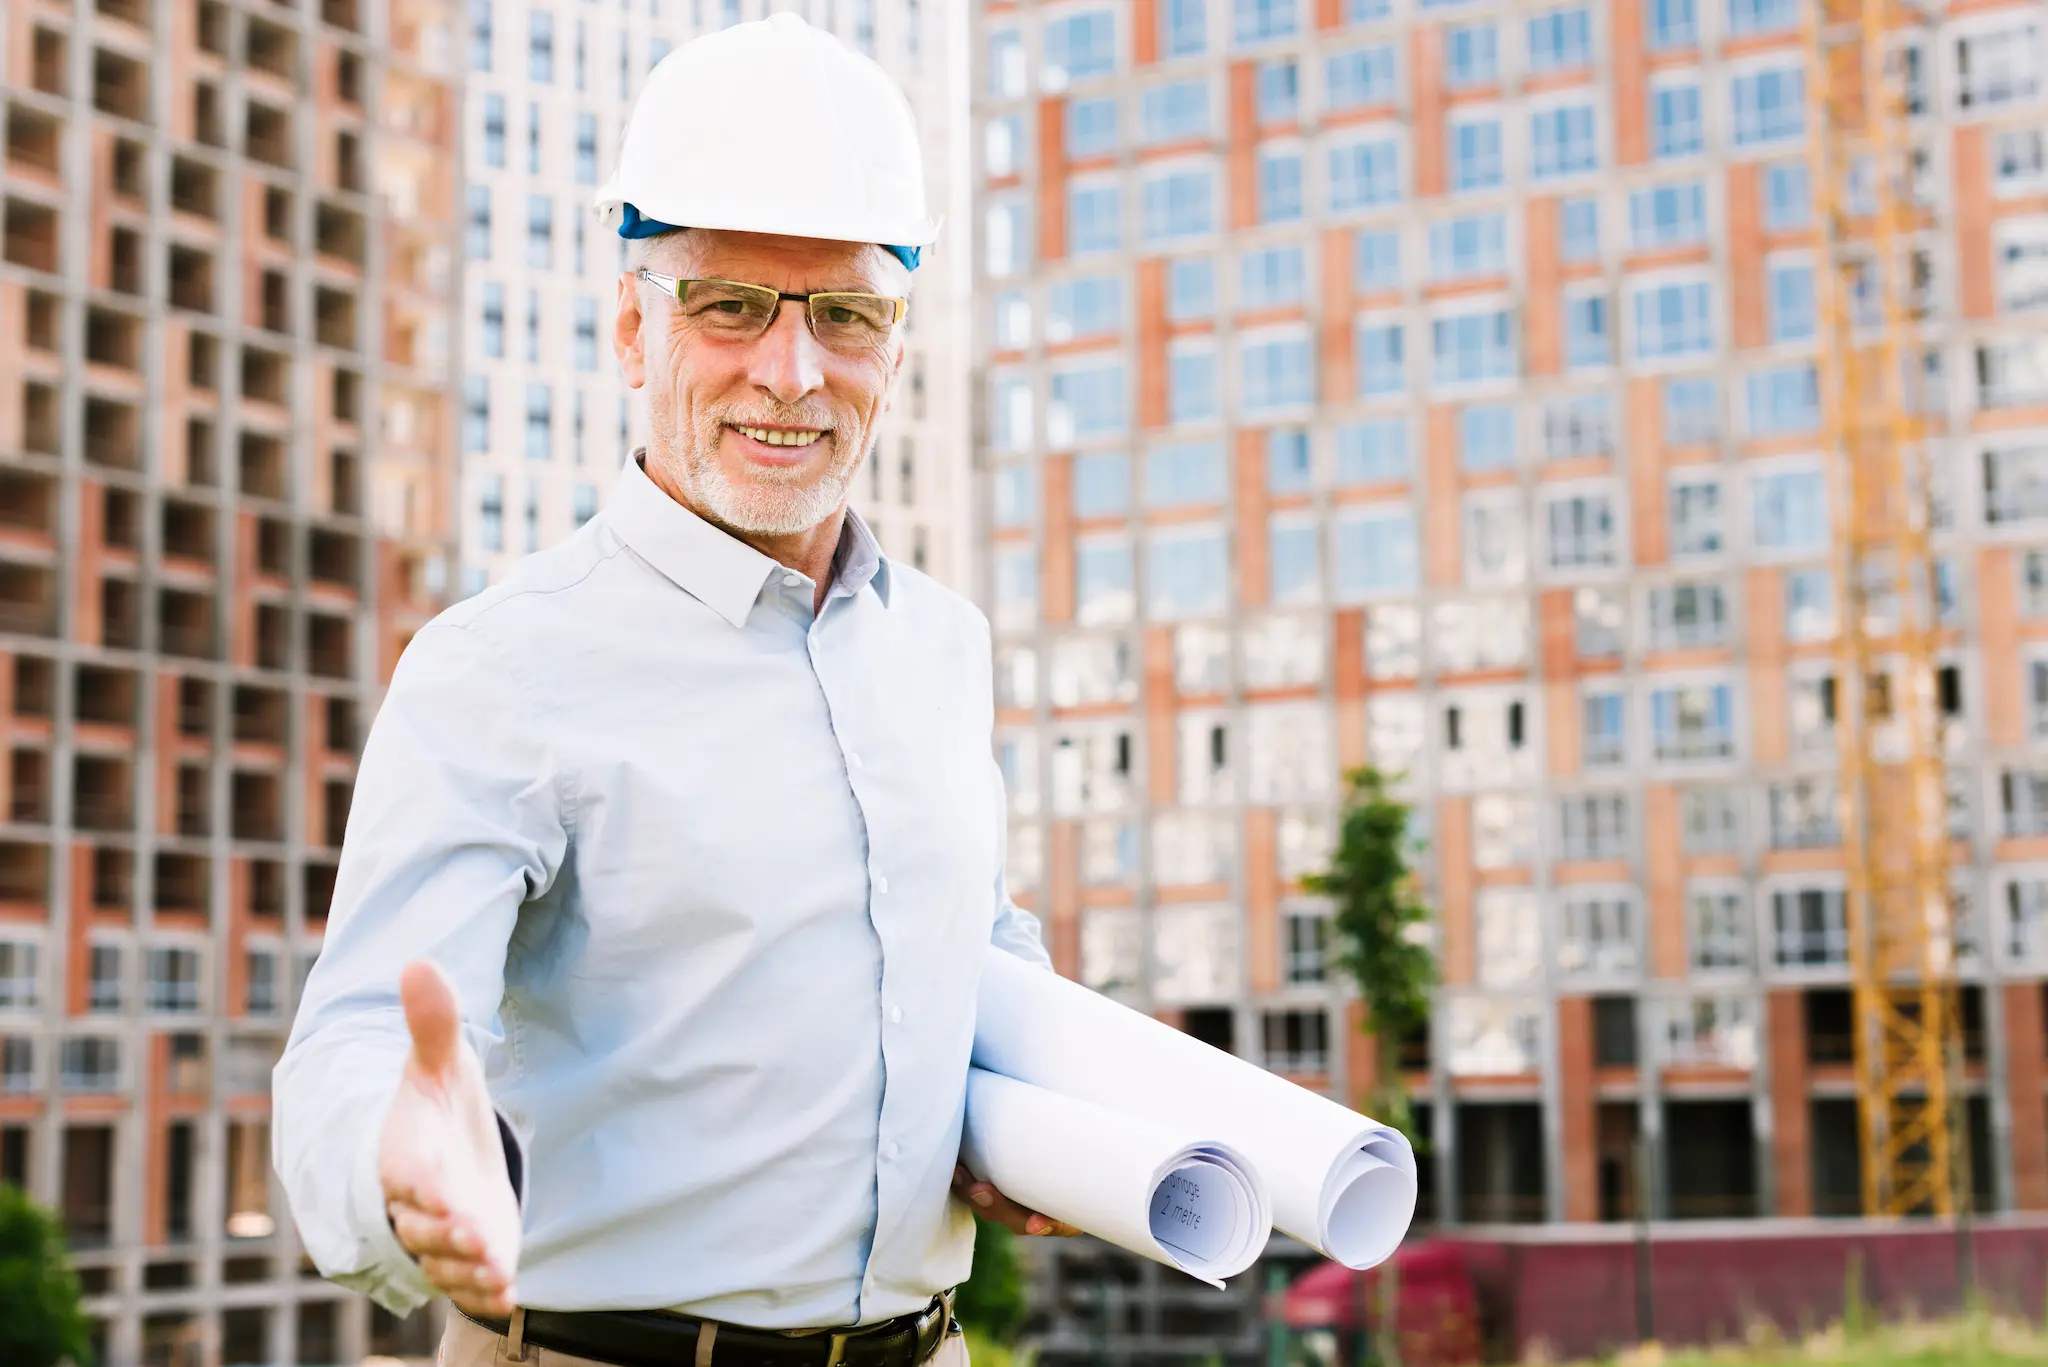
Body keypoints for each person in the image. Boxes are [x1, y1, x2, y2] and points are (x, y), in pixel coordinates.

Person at [273, 16, 1075, 1367]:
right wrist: (398, 1161)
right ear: (633, 331)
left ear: (897, 338)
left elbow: (969, 939)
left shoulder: (942, 646)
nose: (794, 370)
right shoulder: (499, 666)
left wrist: (1031, 1100)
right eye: (732, 307)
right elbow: (359, 1045)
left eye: (844, 314)